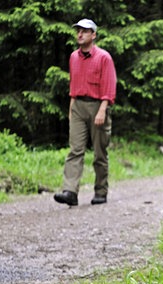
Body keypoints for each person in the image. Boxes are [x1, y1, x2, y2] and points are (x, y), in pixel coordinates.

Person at [54, 19, 117, 206]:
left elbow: (109, 84)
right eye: (78, 31)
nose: (80, 34)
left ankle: (100, 191)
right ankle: (70, 191)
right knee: (75, 150)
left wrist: (102, 110)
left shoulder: (104, 57)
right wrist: (71, 106)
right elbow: (74, 82)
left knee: (99, 152)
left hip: (98, 105)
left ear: (93, 35)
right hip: (78, 106)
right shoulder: (74, 56)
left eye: (85, 31)